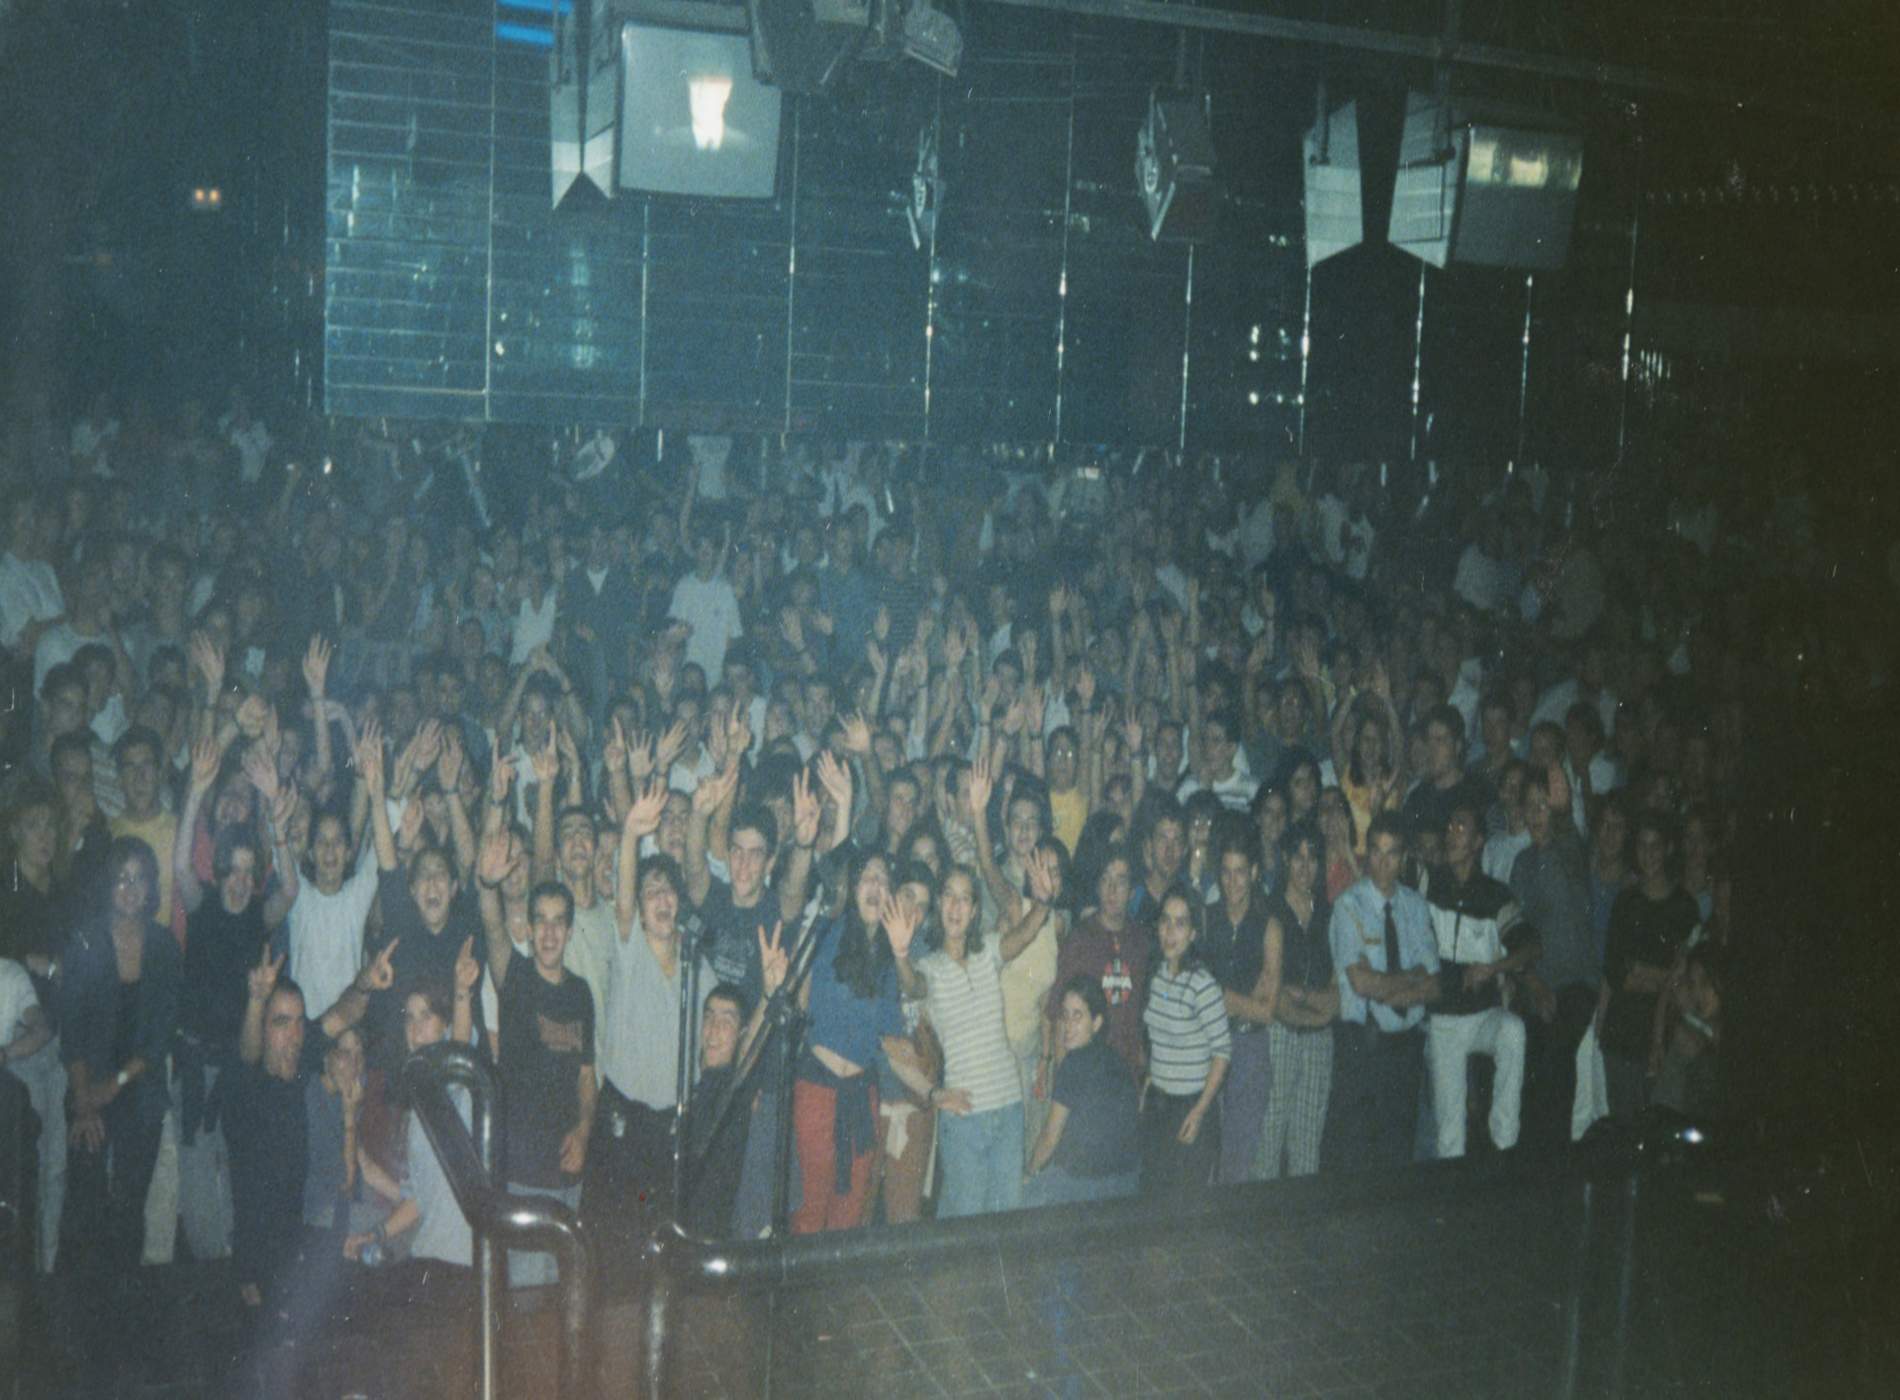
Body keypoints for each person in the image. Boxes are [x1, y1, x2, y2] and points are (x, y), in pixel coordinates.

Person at [58, 837, 180, 1371]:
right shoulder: (85, 941)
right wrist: (86, 1101)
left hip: (140, 1086)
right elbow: (73, 1031)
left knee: (129, 1205)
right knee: (84, 1201)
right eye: (121, 878)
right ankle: (72, 1332)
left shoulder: (163, 946)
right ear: (108, 884)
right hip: (88, 1086)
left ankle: (119, 1333)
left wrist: (117, 1086)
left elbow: (156, 1040)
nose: (131, 889)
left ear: (152, 886)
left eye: (140, 878)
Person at [221, 936, 389, 1318]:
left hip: (300, 1245)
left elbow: (343, 1014)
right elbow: (248, 1052)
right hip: (256, 1263)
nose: (294, 1034)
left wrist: (366, 981)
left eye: (299, 1022)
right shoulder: (245, 1082)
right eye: (281, 1023)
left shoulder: (302, 1056)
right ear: (263, 1025)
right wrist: (255, 1000)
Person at [790, 847, 934, 1234]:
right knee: (808, 1208)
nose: (875, 886)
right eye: (867, 877)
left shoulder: (890, 961)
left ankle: (833, 1295)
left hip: (861, 1095)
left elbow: (914, 992)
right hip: (816, 1089)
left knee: (849, 1213)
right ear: (853, 887)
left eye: (883, 880)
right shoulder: (828, 931)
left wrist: (933, 1093)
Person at [478, 865, 597, 1285]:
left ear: (569, 931)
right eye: (540, 921)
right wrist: (489, 882)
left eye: (558, 921)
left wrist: (584, 1131)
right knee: (527, 1295)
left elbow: (587, 1076)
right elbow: (492, 926)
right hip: (523, 1172)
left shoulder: (581, 993)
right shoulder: (517, 978)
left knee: (562, 1293)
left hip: (568, 1169)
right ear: (528, 929)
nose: (549, 932)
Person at [1326, 813, 1439, 1172]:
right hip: (1364, 1047)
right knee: (1358, 1155)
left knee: (1398, 1153)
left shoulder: (1416, 906)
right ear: (1366, 853)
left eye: (1392, 853)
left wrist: (1387, 987)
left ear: (1404, 857)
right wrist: (1411, 979)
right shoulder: (1349, 906)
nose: (1383, 862)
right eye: (1375, 852)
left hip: (1406, 1047)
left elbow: (1435, 985)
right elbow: (1361, 983)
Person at [913, 865, 1028, 1217]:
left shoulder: (989, 950)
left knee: (1006, 1220)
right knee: (964, 1227)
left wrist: (1043, 903)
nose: (956, 906)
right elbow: (910, 987)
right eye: (949, 895)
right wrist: (902, 953)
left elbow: (1022, 934)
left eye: (965, 899)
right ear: (938, 902)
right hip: (964, 1117)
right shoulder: (927, 967)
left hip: (1008, 1108)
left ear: (975, 910)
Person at [1421, 803, 1533, 1159]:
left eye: (1461, 827)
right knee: (1450, 1138)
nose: (1452, 833)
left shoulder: (1496, 895)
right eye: (1450, 826)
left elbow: (1531, 946)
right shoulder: (1431, 883)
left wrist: (1494, 968)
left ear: (1478, 841)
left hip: (1483, 1015)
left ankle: (1505, 1147)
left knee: (1512, 1030)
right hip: (1444, 1021)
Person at [1597, 812, 1700, 1119]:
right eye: (1642, 845)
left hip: (1663, 1032)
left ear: (1668, 849)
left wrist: (1646, 973)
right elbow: (1615, 973)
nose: (1648, 854)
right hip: (1622, 1030)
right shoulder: (1626, 902)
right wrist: (1599, 1027)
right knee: (1622, 1123)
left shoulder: (1684, 907)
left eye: (1656, 846)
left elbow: (1683, 977)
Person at [1256, 822, 1337, 1179]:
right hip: (1278, 1036)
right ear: (1286, 860)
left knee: (1308, 1145)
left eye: (1313, 858)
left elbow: (1337, 993)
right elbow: (1273, 994)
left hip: (1319, 1040)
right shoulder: (1269, 910)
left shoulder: (1329, 914)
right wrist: (1314, 1012)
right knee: (1269, 1137)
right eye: (1298, 858)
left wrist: (1306, 1000)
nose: (1305, 867)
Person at [1139, 885, 1230, 1193]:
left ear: (1193, 933)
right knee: (1152, 1203)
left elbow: (1222, 1052)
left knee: (1185, 1215)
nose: (1170, 931)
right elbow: (1155, 1035)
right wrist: (1150, 1081)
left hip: (1191, 1109)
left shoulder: (1203, 984)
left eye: (1180, 923)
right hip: (1158, 1106)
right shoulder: (1156, 973)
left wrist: (1200, 1110)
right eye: (1165, 921)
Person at [1202, 818, 1277, 1184]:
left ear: (1255, 872)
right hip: (1208, 1044)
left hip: (1248, 1046)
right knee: (1205, 1149)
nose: (1233, 882)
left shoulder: (1268, 926)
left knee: (1239, 1156)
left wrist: (1222, 997)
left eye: (1240, 873)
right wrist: (1236, 1000)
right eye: (1226, 873)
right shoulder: (1206, 919)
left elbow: (1266, 1010)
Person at [1024, 977, 1139, 1206]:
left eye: (1077, 1016)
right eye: (1065, 1015)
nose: (1068, 1025)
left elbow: (1049, 1137)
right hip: (1128, 1182)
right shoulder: (1115, 1059)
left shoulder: (1073, 1065)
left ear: (1096, 1023)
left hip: (1088, 1187)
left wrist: (1029, 1173)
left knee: (1020, 1200)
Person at [1047, 845, 1150, 1079]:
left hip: (1127, 1074)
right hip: (1087, 1074)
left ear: (1132, 891)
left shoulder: (1141, 942)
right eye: (1106, 880)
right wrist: (1063, 1082)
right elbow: (1059, 1017)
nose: (1112, 890)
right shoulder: (1079, 939)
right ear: (1097, 886)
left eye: (1121, 881)